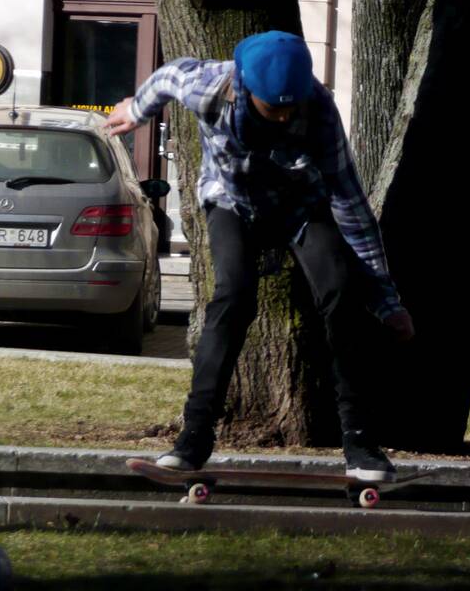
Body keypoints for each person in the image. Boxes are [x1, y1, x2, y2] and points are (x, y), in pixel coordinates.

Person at [105, 30, 415, 482]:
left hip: (301, 208)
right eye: (275, 108)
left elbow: (350, 203)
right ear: (247, 90)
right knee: (233, 295)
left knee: (341, 294)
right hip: (231, 201)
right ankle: (193, 438)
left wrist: (386, 298)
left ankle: (361, 443)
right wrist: (136, 110)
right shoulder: (209, 86)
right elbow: (169, 76)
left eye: (292, 108)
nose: (286, 116)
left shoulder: (318, 109)